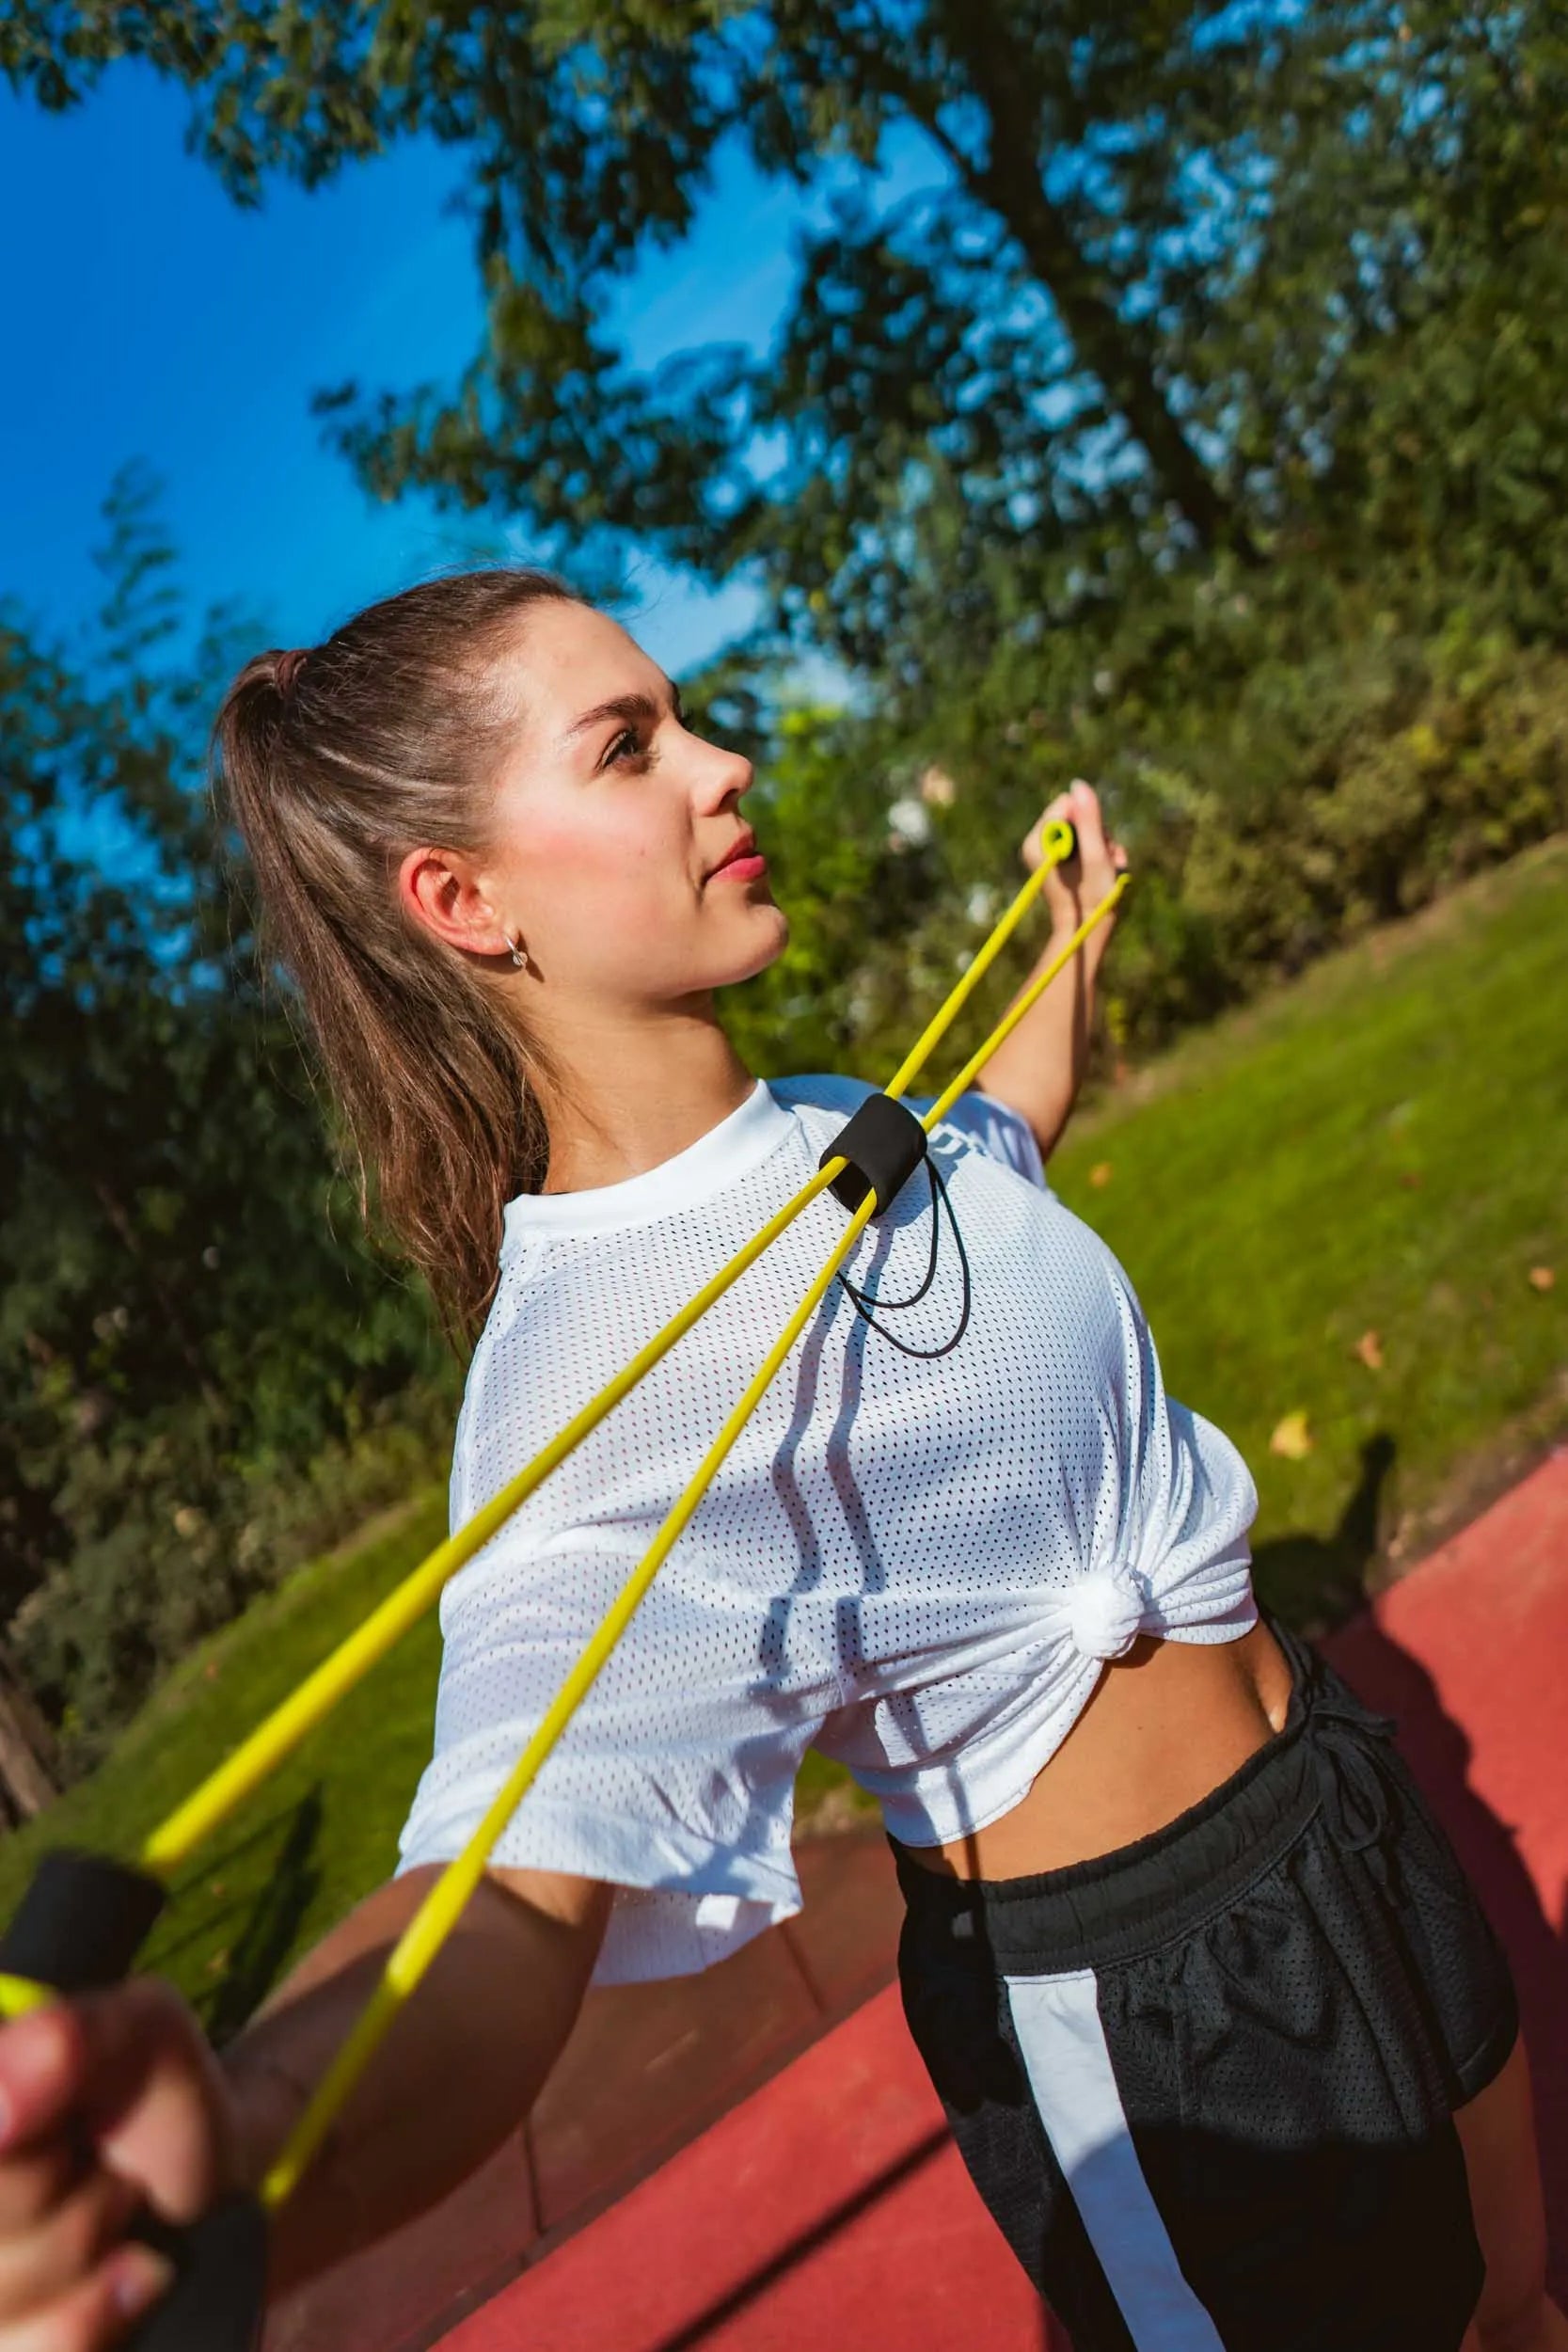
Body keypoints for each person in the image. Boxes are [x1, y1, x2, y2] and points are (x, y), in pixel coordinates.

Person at [0, 569, 1557, 2352]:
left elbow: (999, 1149)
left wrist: (1070, 949)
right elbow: (506, 1899)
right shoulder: (577, 1379)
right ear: (464, 899)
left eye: (687, 721)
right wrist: (242, 2142)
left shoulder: (827, 1125)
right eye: (629, 747)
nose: (723, 766)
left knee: (1520, 2310)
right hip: (1150, 2006)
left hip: (1335, 1795)